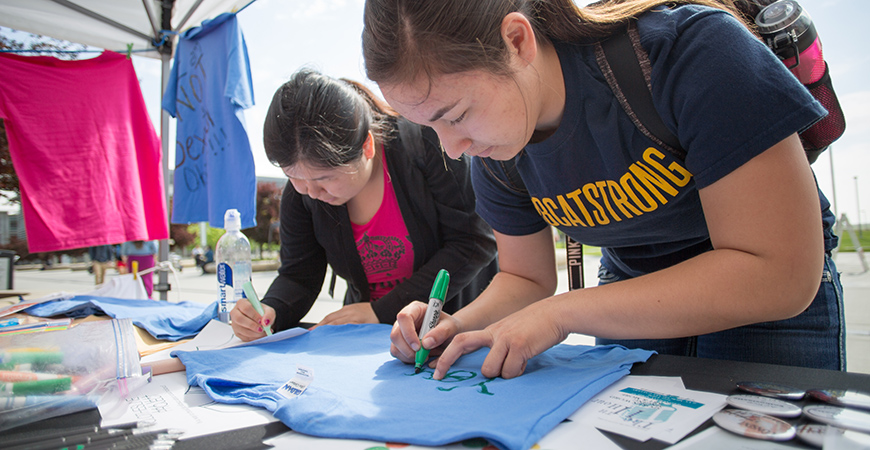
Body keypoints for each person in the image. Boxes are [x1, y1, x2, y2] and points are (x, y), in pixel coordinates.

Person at [363, 0, 844, 379]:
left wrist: (561, 314)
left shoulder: (690, 53)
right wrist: (456, 325)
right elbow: (526, 279)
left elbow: (777, 272)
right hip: (629, 294)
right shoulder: (494, 153)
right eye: (429, 127)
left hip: (763, 301)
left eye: (456, 114)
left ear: (516, 40)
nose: (453, 149)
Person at [229, 68, 499, 341]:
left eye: (325, 179)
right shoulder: (303, 192)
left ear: (367, 146)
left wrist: (381, 311)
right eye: (294, 177)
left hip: (452, 328)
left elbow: (474, 241)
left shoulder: (428, 146)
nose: (310, 192)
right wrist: (271, 308)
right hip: (366, 337)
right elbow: (299, 274)